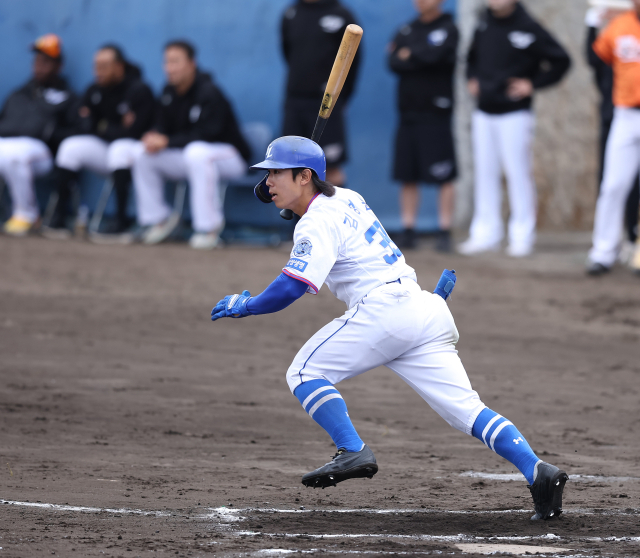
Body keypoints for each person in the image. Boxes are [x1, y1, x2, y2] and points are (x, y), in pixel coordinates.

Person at [210, 135, 569, 521]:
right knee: (467, 411)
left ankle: (352, 450)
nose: (267, 183)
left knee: (304, 371)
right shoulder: (347, 197)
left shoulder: (316, 223)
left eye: (275, 173)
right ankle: (538, 473)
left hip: (385, 312)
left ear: (304, 176)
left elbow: (291, 287)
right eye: (266, 176)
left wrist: (246, 305)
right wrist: (290, 200)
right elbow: (328, 221)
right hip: (423, 308)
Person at [459, 0, 571, 257]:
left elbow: (561, 61)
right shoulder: (483, 24)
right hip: (484, 113)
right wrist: (472, 79)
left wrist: (532, 84)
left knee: (518, 173)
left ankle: (522, 235)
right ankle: (486, 232)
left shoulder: (529, 27)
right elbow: (471, 58)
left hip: (515, 114)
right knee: (485, 173)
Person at [128, 40, 250, 249]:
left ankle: (208, 228)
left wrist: (166, 140)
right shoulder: (168, 92)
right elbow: (163, 126)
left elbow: (208, 134)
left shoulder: (209, 91)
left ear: (192, 64)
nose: (170, 67)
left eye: (176, 61)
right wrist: (154, 136)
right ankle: (157, 220)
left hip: (229, 155)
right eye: (167, 62)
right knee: (142, 153)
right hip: (191, 156)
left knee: (197, 152)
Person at [42, 44, 155, 241]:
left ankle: (121, 221)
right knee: (71, 147)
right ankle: (59, 216)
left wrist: (101, 126)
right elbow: (84, 124)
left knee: (119, 148)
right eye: (96, 65)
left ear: (119, 66)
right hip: (105, 150)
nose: (98, 71)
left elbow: (134, 131)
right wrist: (109, 127)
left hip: (133, 153)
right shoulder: (94, 89)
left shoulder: (139, 89)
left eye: (104, 66)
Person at [388, 0, 459, 252]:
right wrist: (420, 53)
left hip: (436, 112)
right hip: (408, 113)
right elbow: (393, 61)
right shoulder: (407, 29)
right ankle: (408, 229)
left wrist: (411, 54)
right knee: (407, 174)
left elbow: (438, 56)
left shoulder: (450, 28)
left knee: (444, 175)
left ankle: (444, 230)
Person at [0, 34, 77, 236]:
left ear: (58, 66)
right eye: (37, 61)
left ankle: (27, 215)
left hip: (42, 153)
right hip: (7, 145)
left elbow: (73, 131)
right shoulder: (19, 93)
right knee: (8, 151)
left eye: (46, 62)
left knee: (14, 154)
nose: (39, 66)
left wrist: (50, 133)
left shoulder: (66, 96)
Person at [281, 0, 361, 187]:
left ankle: (334, 216)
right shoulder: (291, 13)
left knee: (330, 167)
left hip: (326, 103)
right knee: (292, 167)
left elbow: (353, 62)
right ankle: (301, 217)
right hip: (294, 102)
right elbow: (287, 52)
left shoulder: (342, 15)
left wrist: (340, 99)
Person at [586, 0, 640, 275]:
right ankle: (603, 252)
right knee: (613, 185)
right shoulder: (620, 26)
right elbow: (596, 58)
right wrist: (594, 21)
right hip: (626, 114)